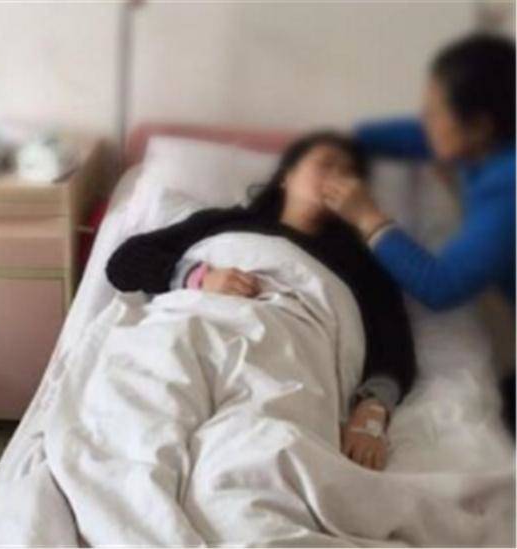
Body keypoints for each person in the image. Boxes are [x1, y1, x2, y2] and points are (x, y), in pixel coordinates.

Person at [107, 131, 417, 471]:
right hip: (193, 326)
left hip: (289, 354)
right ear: (287, 177)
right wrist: (200, 277)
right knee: (143, 423)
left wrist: (371, 412)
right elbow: (124, 263)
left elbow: (394, 345)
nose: (338, 179)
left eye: (349, 174)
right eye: (326, 165)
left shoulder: (363, 263)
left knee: (262, 458)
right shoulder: (224, 222)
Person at [320, 33, 515, 434]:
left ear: (479, 126)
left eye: (434, 113)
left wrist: (367, 217)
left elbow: (440, 285)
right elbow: (416, 137)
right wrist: (338, 145)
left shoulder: (508, 186)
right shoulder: (484, 144)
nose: (425, 121)